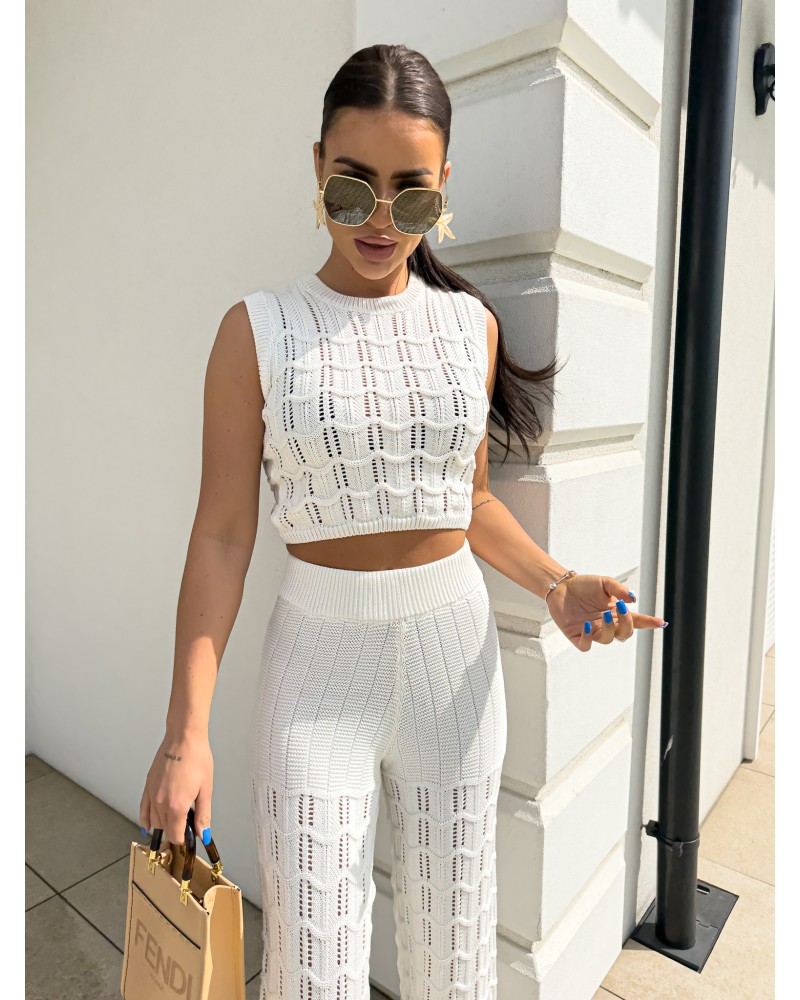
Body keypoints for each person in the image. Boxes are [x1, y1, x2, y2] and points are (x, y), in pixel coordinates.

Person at [139, 43, 667, 1000]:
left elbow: (467, 503)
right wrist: (187, 733)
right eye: (353, 188)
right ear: (316, 167)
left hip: (451, 667)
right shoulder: (256, 332)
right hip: (316, 671)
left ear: (443, 188)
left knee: (454, 957)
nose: (380, 220)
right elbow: (221, 536)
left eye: (411, 196)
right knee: (313, 966)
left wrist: (556, 584)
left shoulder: (470, 328)